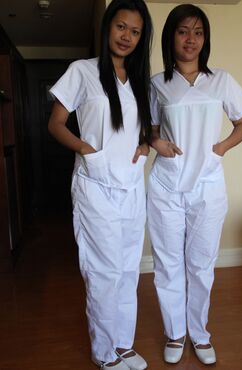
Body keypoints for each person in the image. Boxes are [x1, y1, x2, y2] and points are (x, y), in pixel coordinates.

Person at [48, 1, 153, 369]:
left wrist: (145, 144)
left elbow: (143, 128)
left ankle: (123, 343)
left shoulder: (139, 79)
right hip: (95, 186)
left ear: (142, 37)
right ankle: (104, 352)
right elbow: (56, 124)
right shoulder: (83, 71)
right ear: (108, 27)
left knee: (127, 269)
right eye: (121, 27)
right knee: (103, 271)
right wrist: (86, 149)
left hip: (130, 185)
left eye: (135, 31)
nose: (127, 36)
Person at [147, 3, 242, 366]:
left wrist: (220, 148)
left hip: (207, 186)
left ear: (205, 39)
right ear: (171, 37)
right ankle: (175, 333)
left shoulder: (221, 79)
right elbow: (151, 130)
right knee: (168, 264)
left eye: (198, 32)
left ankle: (200, 333)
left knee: (201, 264)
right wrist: (156, 141)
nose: (190, 39)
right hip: (166, 184)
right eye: (182, 31)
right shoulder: (158, 84)